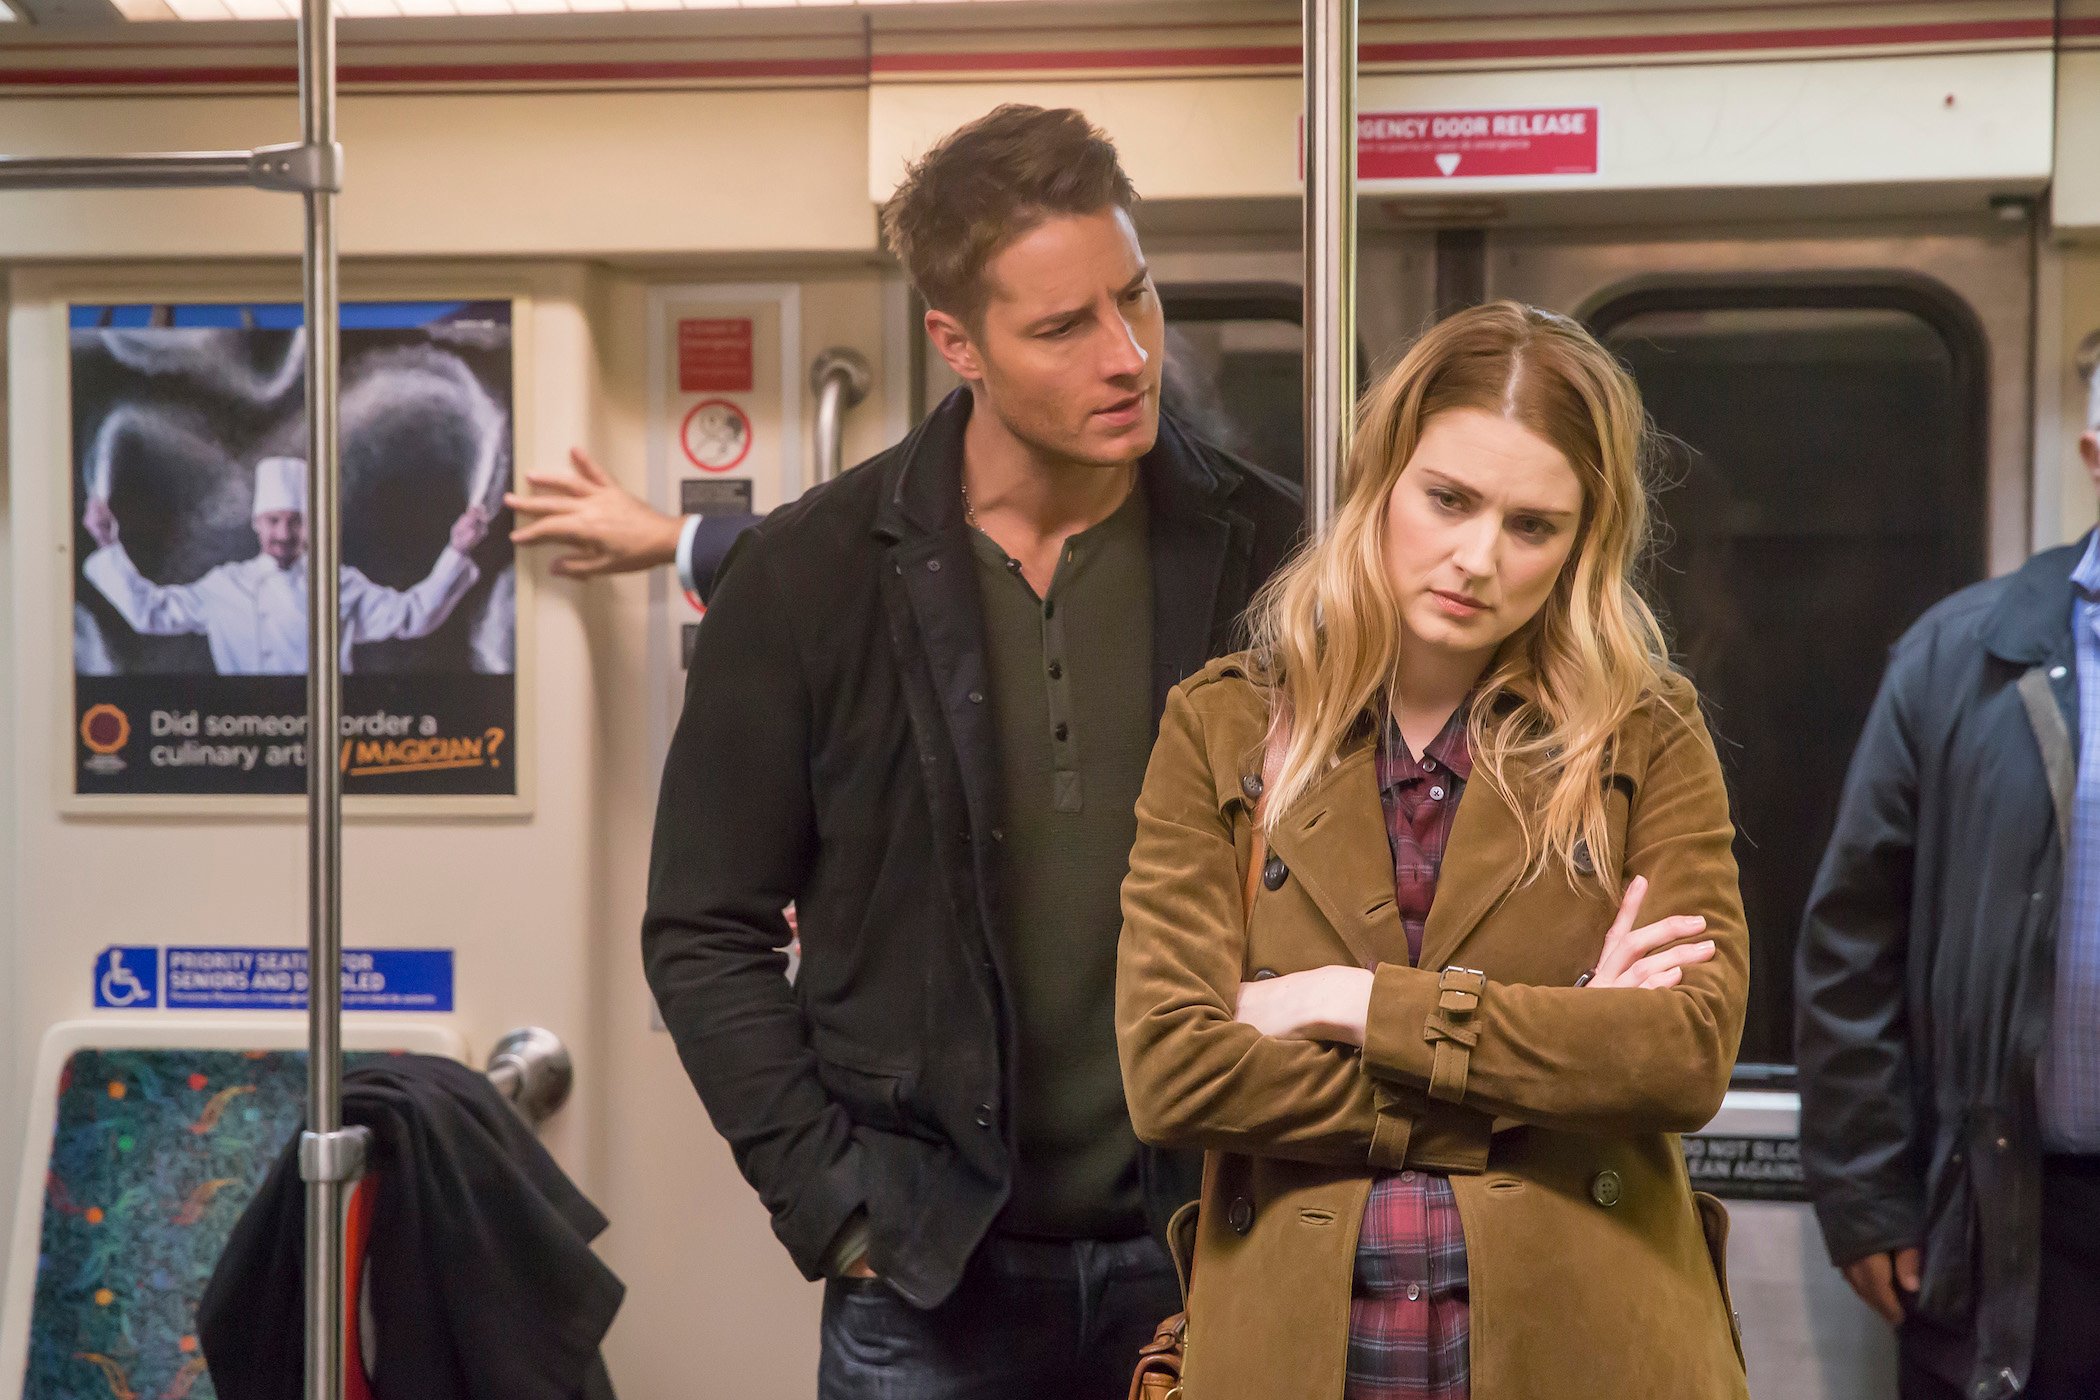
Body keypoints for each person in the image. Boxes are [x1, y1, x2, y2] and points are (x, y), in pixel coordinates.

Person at [641, 104, 1299, 1399]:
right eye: (1063, 328)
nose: (1128, 356)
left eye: (1139, 299)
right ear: (959, 345)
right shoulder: (810, 575)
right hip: (929, 1274)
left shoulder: (1270, 555)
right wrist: (837, 1209)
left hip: (1208, 1245)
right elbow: (703, 928)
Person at [1116, 301, 1749, 1400]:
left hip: (1585, 1349)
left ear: (1580, 542)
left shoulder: (1644, 731)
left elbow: (1682, 1052)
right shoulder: (1222, 726)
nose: (1477, 558)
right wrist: (1557, 1055)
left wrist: (1348, 1000)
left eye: (1532, 525)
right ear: (1382, 481)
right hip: (1299, 1347)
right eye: (1448, 499)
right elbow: (1174, 1073)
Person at [1795, 339, 2100, 1400]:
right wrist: (1865, 1190)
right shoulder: (1962, 655)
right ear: (2095, 455)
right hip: (2007, 1209)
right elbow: (1851, 943)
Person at [82, 455, 487, 675]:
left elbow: (412, 616)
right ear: (257, 523)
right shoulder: (225, 586)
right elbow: (150, 613)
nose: (283, 533)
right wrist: (107, 542)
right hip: (239, 735)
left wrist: (457, 551)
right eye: (273, 520)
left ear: (311, 526)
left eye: (295, 521)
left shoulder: (338, 584)